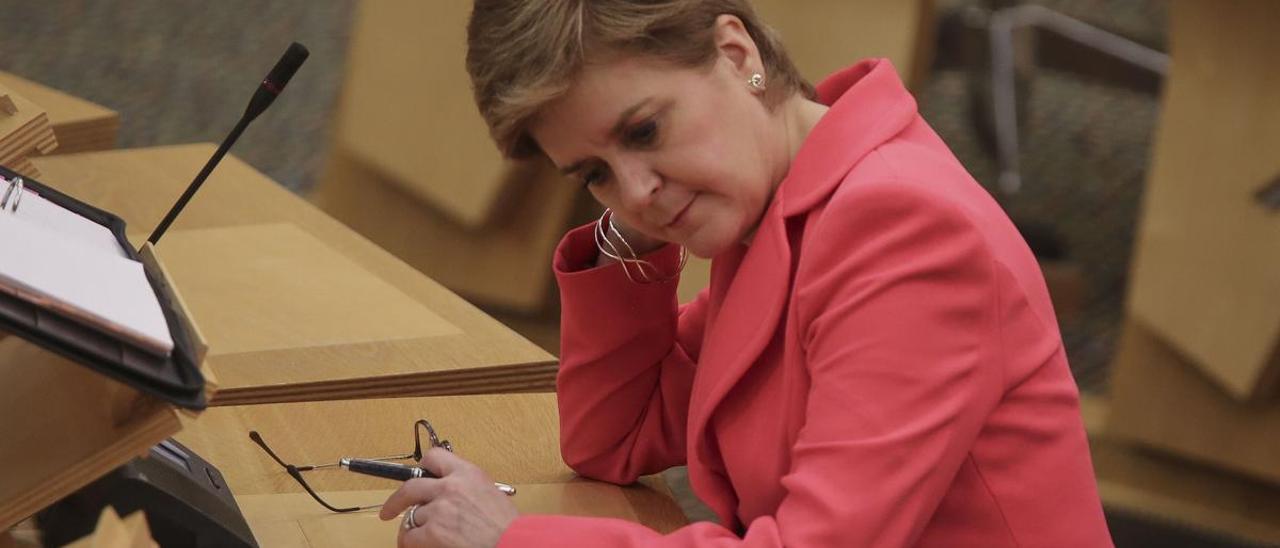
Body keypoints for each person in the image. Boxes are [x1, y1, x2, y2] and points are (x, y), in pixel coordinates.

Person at [379, 1, 1114, 546]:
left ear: (736, 55)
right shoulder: (782, 204)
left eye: (644, 131)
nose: (635, 190)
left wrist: (511, 539)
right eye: (594, 172)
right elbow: (616, 436)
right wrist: (637, 226)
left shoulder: (903, 230)